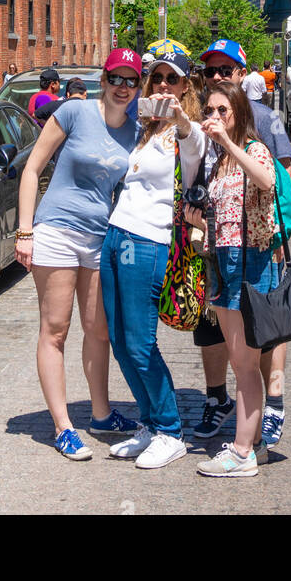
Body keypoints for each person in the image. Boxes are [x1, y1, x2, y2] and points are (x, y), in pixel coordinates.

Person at [14, 50, 145, 461]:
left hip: (99, 238)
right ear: (102, 80)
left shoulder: (136, 131)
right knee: (56, 329)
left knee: (98, 329)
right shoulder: (74, 111)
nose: (122, 87)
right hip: (55, 232)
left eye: (131, 81)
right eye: (116, 78)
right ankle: (63, 426)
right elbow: (33, 168)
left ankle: (101, 414)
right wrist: (25, 230)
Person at [100, 47, 207, 469]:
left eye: (172, 79)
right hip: (116, 234)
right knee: (120, 341)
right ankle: (148, 423)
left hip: (148, 242)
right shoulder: (144, 129)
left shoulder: (187, 132)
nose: (163, 85)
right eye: (157, 78)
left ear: (186, 86)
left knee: (142, 343)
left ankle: (170, 429)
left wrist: (179, 117)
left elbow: (193, 141)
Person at [190, 39, 291, 453]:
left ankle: (272, 404)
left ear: (240, 72)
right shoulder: (206, 134)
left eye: (224, 69)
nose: (216, 76)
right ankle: (220, 400)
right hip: (220, 255)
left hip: (258, 250)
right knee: (224, 337)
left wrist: (282, 234)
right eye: (209, 70)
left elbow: (276, 181)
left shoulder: (263, 124)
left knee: (263, 333)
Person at [185, 81, 276, 477]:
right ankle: (253, 443)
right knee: (242, 362)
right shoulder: (218, 160)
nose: (214, 117)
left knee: (244, 364)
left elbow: (266, 181)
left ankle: (241, 454)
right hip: (223, 263)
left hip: (250, 263)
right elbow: (221, 215)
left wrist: (230, 143)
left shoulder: (252, 149)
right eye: (209, 111)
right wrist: (198, 222)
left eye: (223, 110)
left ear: (239, 112)